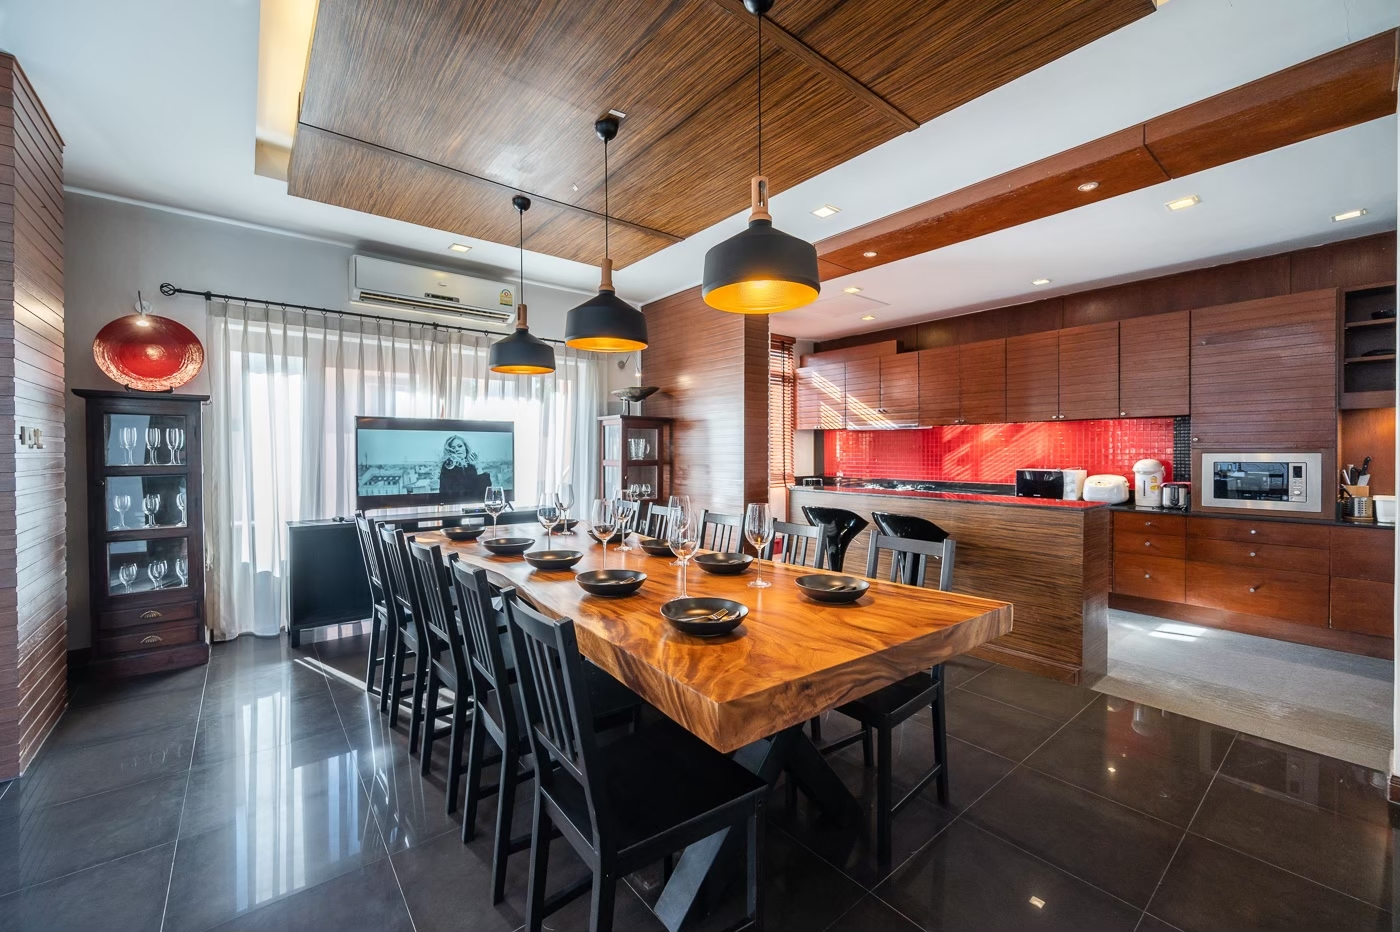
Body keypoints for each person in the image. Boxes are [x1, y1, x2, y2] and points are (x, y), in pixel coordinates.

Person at [437, 435, 491, 502]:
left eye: (460, 446)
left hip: (474, 505)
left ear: (465, 448)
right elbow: (453, 494)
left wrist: (477, 466)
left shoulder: (471, 466)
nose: (457, 449)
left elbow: (485, 492)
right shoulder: (448, 466)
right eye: (453, 448)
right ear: (450, 451)